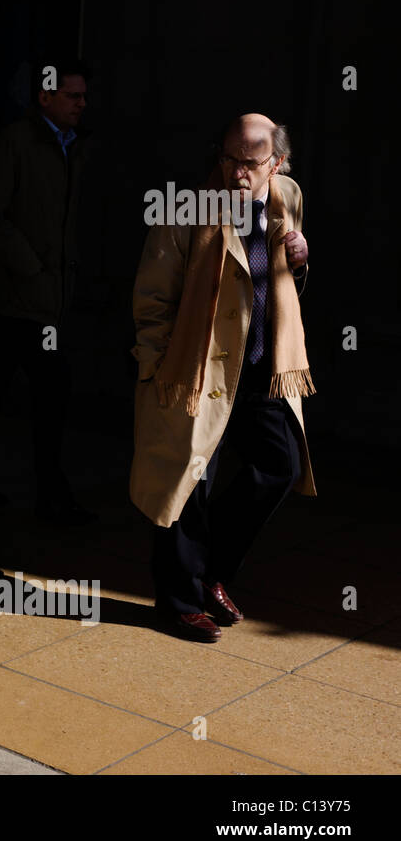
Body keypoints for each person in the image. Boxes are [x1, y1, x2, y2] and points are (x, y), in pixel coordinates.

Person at [130, 113, 315, 642]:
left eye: (250, 161)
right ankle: (179, 602)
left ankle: (210, 572)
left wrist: (300, 263)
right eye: (229, 158)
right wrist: (159, 367)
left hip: (262, 368)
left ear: (276, 163)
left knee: (279, 465)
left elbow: (278, 285)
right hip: (197, 371)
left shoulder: (287, 197)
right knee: (189, 483)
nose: (237, 171)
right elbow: (152, 296)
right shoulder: (186, 209)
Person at [0, 58, 94, 524]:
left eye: (84, 95)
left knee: (37, 398)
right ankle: (43, 496)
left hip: (47, 302)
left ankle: (47, 494)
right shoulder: (16, 143)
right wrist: (32, 268)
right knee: (17, 396)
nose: (82, 104)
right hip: (17, 302)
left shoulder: (72, 145)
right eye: (72, 95)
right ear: (45, 97)